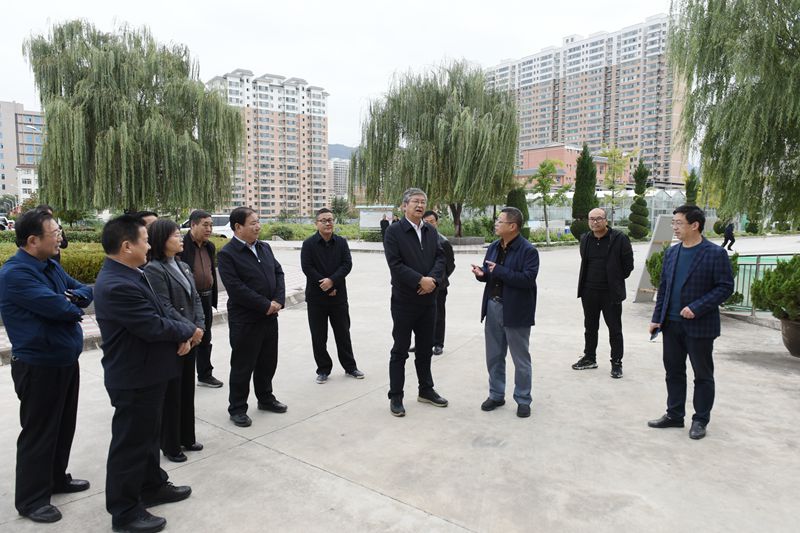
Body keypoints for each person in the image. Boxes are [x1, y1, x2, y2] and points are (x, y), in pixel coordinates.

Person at [94, 215, 196, 533]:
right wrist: (187, 331)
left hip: (149, 372)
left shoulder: (132, 273)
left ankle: (152, 485)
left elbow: (160, 311)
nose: (150, 246)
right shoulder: (117, 284)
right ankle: (124, 512)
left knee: (149, 438)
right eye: (145, 240)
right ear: (127, 246)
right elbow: (151, 325)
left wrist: (180, 334)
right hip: (133, 376)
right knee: (130, 445)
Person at [0, 209, 92, 524]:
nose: (60, 238)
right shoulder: (15, 274)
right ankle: (31, 500)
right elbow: (60, 308)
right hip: (38, 365)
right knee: (39, 431)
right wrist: (70, 303)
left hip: (64, 360)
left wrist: (72, 298)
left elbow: (84, 290)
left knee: (63, 425)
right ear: (32, 240)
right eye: (54, 233)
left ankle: (56, 478)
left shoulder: (50, 265)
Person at [648, 205, 734, 440]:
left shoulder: (715, 253)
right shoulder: (672, 253)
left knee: (702, 375)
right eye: (673, 223)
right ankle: (674, 415)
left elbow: (725, 287)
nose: (674, 227)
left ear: (695, 225)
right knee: (673, 372)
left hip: (700, 326)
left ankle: (700, 420)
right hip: (671, 325)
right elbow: (664, 288)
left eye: (679, 223)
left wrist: (697, 307)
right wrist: (657, 318)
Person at [217, 207, 287, 428]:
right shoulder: (227, 254)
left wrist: (278, 300)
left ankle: (265, 398)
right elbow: (236, 288)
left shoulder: (264, 247)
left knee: (268, 361)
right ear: (238, 227)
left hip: (269, 317)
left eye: (258, 222)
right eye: (253, 223)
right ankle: (237, 408)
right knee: (243, 365)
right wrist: (265, 305)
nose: (258, 226)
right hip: (245, 320)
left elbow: (278, 272)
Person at [144, 220, 205, 463]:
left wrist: (199, 328)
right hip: (174, 340)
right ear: (161, 240)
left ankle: (187, 437)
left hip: (191, 337)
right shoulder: (154, 270)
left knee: (187, 390)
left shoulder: (183, 265)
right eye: (175, 235)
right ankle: (171, 444)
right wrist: (189, 331)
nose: (181, 239)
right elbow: (165, 307)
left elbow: (196, 299)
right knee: (172, 395)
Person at [383, 188, 447, 417]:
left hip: (428, 300)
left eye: (423, 202)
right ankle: (396, 396)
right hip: (404, 301)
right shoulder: (394, 232)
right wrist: (420, 280)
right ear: (404, 206)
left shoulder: (430, 230)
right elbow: (395, 264)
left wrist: (433, 281)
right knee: (400, 350)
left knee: (425, 348)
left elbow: (441, 258)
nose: (420, 205)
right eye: (415, 202)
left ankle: (426, 390)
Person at [471, 207, 539, 418]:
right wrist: (482, 274)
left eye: (499, 221)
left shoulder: (528, 251)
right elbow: (489, 273)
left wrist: (499, 271)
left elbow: (527, 279)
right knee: (494, 355)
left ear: (512, 226)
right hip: (493, 306)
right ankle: (496, 394)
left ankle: (523, 398)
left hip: (516, 310)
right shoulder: (494, 246)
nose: (496, 224)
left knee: (520, 358)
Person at [301, 208, 364, 383]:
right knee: (318, 336)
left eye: (330, 220)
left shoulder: (341, 242)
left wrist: (332, 281)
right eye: (323, 220)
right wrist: (326, 285)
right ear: (316, 223)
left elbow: (347, 264)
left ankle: (350, 367)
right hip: (316, 298)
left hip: (338, 297)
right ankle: (323, 369)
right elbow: (307, 268)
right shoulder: (308, 244)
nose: (328, 223)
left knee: (343, 334)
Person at [572, 207, 634, 378]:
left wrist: (615, 279)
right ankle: (589, 358)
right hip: (589, 291)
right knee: (590, 327)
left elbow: (628, 265)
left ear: (606, 220)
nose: (595, 222)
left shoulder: (619, 238)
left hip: (610, 293)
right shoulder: (585, 239)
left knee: (615, 329)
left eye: (599, 218)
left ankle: (616, 363)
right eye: (592, 219)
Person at [178, 210, 223, 388]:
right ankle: (184, 377)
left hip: (206, 297)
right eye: (205, 225)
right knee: (189, 336)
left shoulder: (209, 246)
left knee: (206, 336)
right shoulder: (182, 246)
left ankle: (205, 374)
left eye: (211, 225)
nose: (209, 229)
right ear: (193, 225)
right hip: (189, 301)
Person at [422, 210, 455, 355]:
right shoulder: (419, 239)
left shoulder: (443, 242)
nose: (429, 224)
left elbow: (450, 265)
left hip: (439, 286)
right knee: (421, 315)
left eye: (432, 222)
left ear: (437, 223)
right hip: (422, 284)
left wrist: (438, 279)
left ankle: (438, 343)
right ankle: (422, 342)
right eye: (426, 222)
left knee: (438, 315)